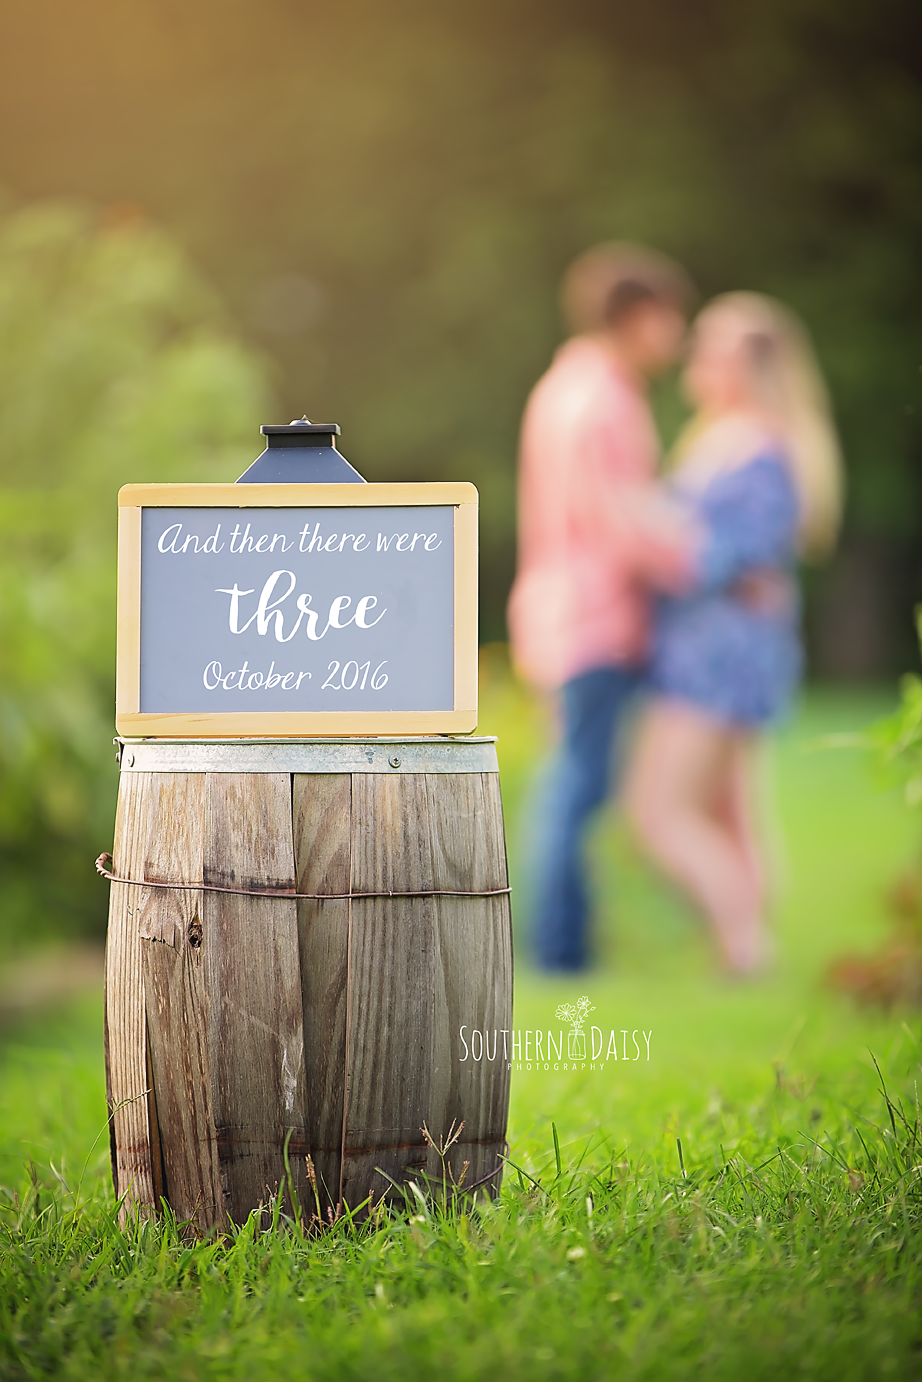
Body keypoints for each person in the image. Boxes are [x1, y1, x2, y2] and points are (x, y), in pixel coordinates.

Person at [623, 292, 843, 974]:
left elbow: (726, 558)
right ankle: (746, 949)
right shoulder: (718, 438)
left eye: (717, 349)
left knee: (658, 814)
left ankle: (746, 948)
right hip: (706, 647)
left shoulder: (767, 449)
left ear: (755, 366)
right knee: (728, 810)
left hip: (721, 658)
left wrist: (647, 527)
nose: (699, 358)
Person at [507, 243, 696, 972]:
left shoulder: (565, 387)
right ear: (638, 316)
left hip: (561, 612)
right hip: (593, 618)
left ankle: (569, 947)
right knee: (577, 786)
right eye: (670, 317)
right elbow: (619, 520)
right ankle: (559, 954)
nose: (675, 334)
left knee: (577, 781)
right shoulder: (603, 400)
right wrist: (702, 561)